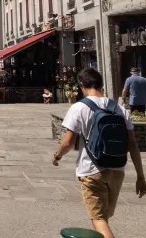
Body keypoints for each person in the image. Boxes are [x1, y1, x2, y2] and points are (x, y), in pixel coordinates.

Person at [52, 68, 146, 238]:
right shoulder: (118, 109)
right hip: (117, 171)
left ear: (82, 85)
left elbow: (68, 142)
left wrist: (57, 156)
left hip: (92, 170)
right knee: (104, 218)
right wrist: (140, 176)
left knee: (98, 219)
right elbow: (132, 144)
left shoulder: (79, 107)